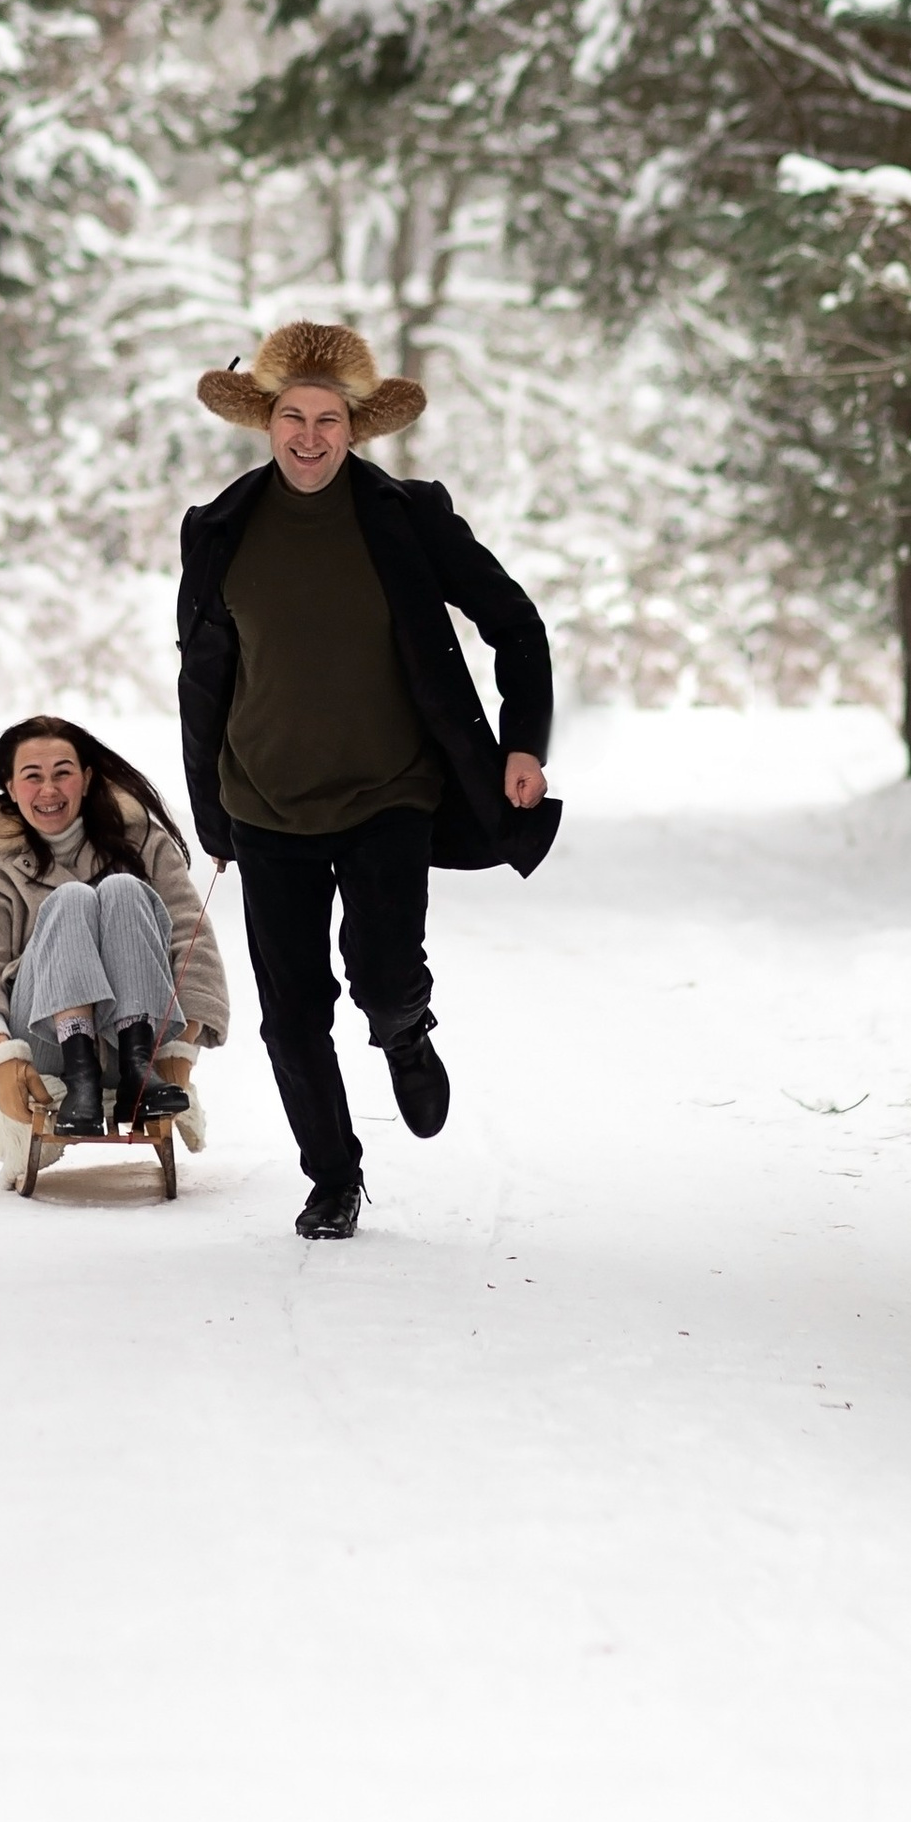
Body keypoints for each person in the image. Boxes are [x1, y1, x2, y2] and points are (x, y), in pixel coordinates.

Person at [178, 319, 557, 1241]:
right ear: (267, 422)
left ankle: (403, 1027)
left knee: (383, 974)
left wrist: (523, 744)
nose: (309, 437)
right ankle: (334, 1178)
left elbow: (515, 623)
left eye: (328, 420)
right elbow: (203, 679)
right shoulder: (221, 528)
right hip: (265, 801)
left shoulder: (406, 517)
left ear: (354, 428)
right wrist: (212, 813)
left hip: (390, 791)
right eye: (293, 418)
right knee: (291, 1015)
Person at [0, 716, 231, 1160]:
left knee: (123, 888)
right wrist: (1, 1053)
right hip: (46, 1047)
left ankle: (138, 1068)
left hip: (135, 1043)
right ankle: (81, 1076)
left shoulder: (144, 842)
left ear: (87, 778)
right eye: (33, 776)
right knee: (72, 898)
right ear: (10, 787)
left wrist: (183, 1044)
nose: (49, 790)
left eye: (62, 773)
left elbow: (192, 938)